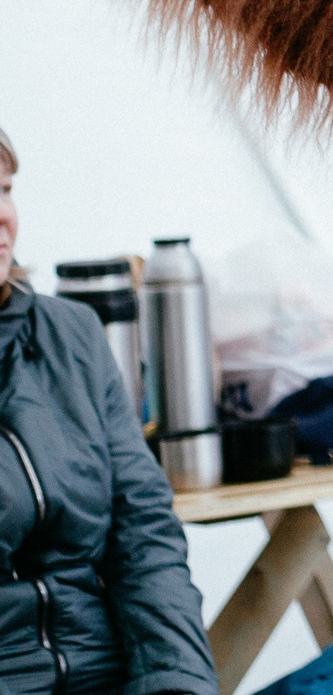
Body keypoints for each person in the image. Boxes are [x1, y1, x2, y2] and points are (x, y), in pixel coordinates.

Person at [0, 126, 219, 695]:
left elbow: (143, 533)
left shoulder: (71, 335)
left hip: (110, 673)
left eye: (3, 190)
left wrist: (175, 681)